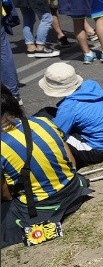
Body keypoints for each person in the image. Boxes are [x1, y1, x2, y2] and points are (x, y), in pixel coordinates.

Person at [1, 85, 93, 249]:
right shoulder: (42, 121)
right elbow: (71, 163)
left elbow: (6, 195)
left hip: (42, 207)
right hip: (74, 189)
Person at [38, 62, 103, 170]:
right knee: (49, 113)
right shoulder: (90, 86)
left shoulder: (69, 107)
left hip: (102, 150)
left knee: (50, 134)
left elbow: (56, 134)